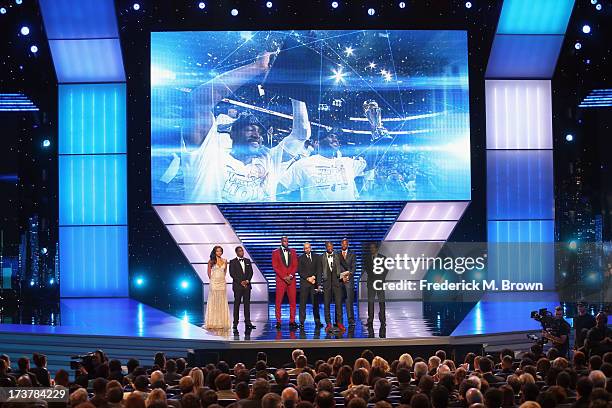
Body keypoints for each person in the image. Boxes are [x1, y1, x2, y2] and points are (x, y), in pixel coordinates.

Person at [279, 128, 367, 202]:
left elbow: (370, 164)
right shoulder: (303, 164)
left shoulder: (347, 162)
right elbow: (280, 188)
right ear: (317, 142)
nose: (335, 140)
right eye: (331, 136)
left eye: (336, 137)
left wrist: (377, 136)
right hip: (319, 221)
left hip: (347, 219)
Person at [272, 236, 299, 329]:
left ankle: (292, 321)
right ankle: (278, 321)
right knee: (278, 301)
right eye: (284, 241)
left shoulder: (293, 251)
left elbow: (295, 265)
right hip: (281, 280)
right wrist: (284, 277)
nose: (286, 242)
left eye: (287, 241)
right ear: (281, 242)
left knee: (293, 301)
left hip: (291, 280)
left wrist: (290, 276)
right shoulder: (275, 252)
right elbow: (275, 266)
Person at [205, 246, 232, 331]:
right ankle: (213, 322)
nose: (219, 253)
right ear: (214, 252)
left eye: (220, 251)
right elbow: (209, 273)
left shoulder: (225, 261)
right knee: (214, 301)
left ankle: (221, 322)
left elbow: (225, 272)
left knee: (222, 301)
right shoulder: (211, 261)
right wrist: (212, 280)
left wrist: (222, 280)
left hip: (222, 282)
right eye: (217, 251)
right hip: (214, 282)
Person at [319, 241, 344, 332]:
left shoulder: (338, 255)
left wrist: (347, 275)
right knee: (326, 305)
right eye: (328, 246)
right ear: (326, 247)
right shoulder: (322, 257)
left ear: (333, 246)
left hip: (337, 283)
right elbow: (319, 271)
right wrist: (318, 284)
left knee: (338, 304)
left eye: (331, 246)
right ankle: (328, 324)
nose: (329, 247)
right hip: (326, 284)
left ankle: (340, 323)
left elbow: (345, 265)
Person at [229, 246, 256, 330]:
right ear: (236, 252)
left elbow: (251, 272)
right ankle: (235, 322)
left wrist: (247, 280)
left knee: (247, 304)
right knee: (237, 304)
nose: (242, 252)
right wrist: (241, 282)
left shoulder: (247, 261)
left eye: (242, 251)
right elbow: (232, 274)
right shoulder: (232, 262)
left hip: (247, 286)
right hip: (238, 286)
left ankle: (248, 322)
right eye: (240, 251)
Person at [362, 242, 388, 327]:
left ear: (376, 248)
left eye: (373, 248)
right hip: (371, 283)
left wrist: (381, 279)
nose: (372, 249)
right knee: (370, 302)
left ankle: (383, 320)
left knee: (382, 302)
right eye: (371, 248)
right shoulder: (367, 258)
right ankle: (370, 320)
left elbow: (385, 270)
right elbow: (367, 269)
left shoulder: (383, 258)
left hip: (380, 283)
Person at [298, 242, 322, 328]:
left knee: (315, 303)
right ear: (303, 249)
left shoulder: (316, 257)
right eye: (305, 248)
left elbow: (319, 270)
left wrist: (314, 278)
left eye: (308, 248)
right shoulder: (300, 258)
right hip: (305, 283)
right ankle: (301, 322)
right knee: (302, 304)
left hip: (314, 283)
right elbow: (300, 271)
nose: (306, 249)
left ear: (310, 248)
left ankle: (317, 322)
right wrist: (308, 278)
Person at [338, 238, 356, 327]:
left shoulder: (352, 254)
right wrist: (341, 277)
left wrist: (349, 276)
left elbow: (353, 267)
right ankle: (339, 321)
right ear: (341, 244)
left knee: (349, 301)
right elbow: (336, 267)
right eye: (343, 244)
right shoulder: (337, 254)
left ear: (348, 244)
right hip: (340, 281)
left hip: (349, 280)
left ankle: (351, 319)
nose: (344, 245)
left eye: (346, 244)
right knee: (339, 301)